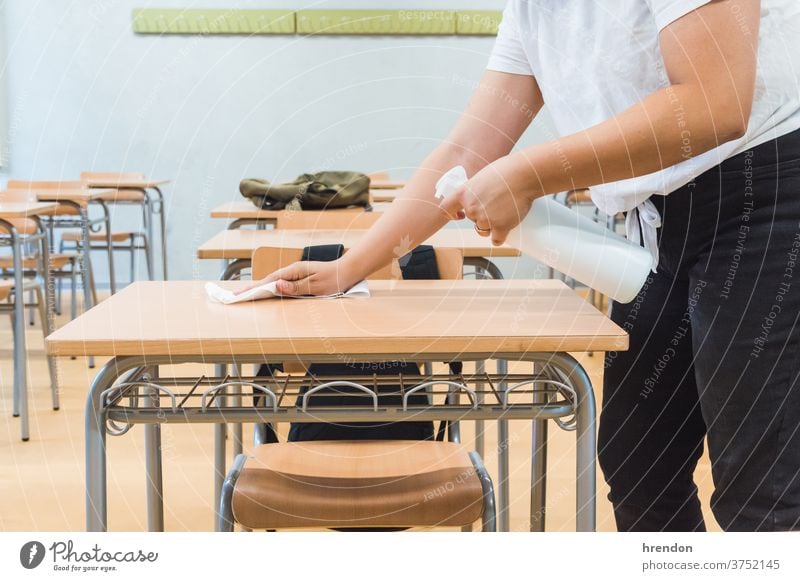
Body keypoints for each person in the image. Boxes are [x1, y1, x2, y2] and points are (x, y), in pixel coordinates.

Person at [242, 0, 800, 531]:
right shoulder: (533, 11)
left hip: (770, 196)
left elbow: (715, 101)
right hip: (662, 223)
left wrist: (530, 174)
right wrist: (348, 267)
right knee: (639, 468)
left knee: (761, 487)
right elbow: (468, 150)